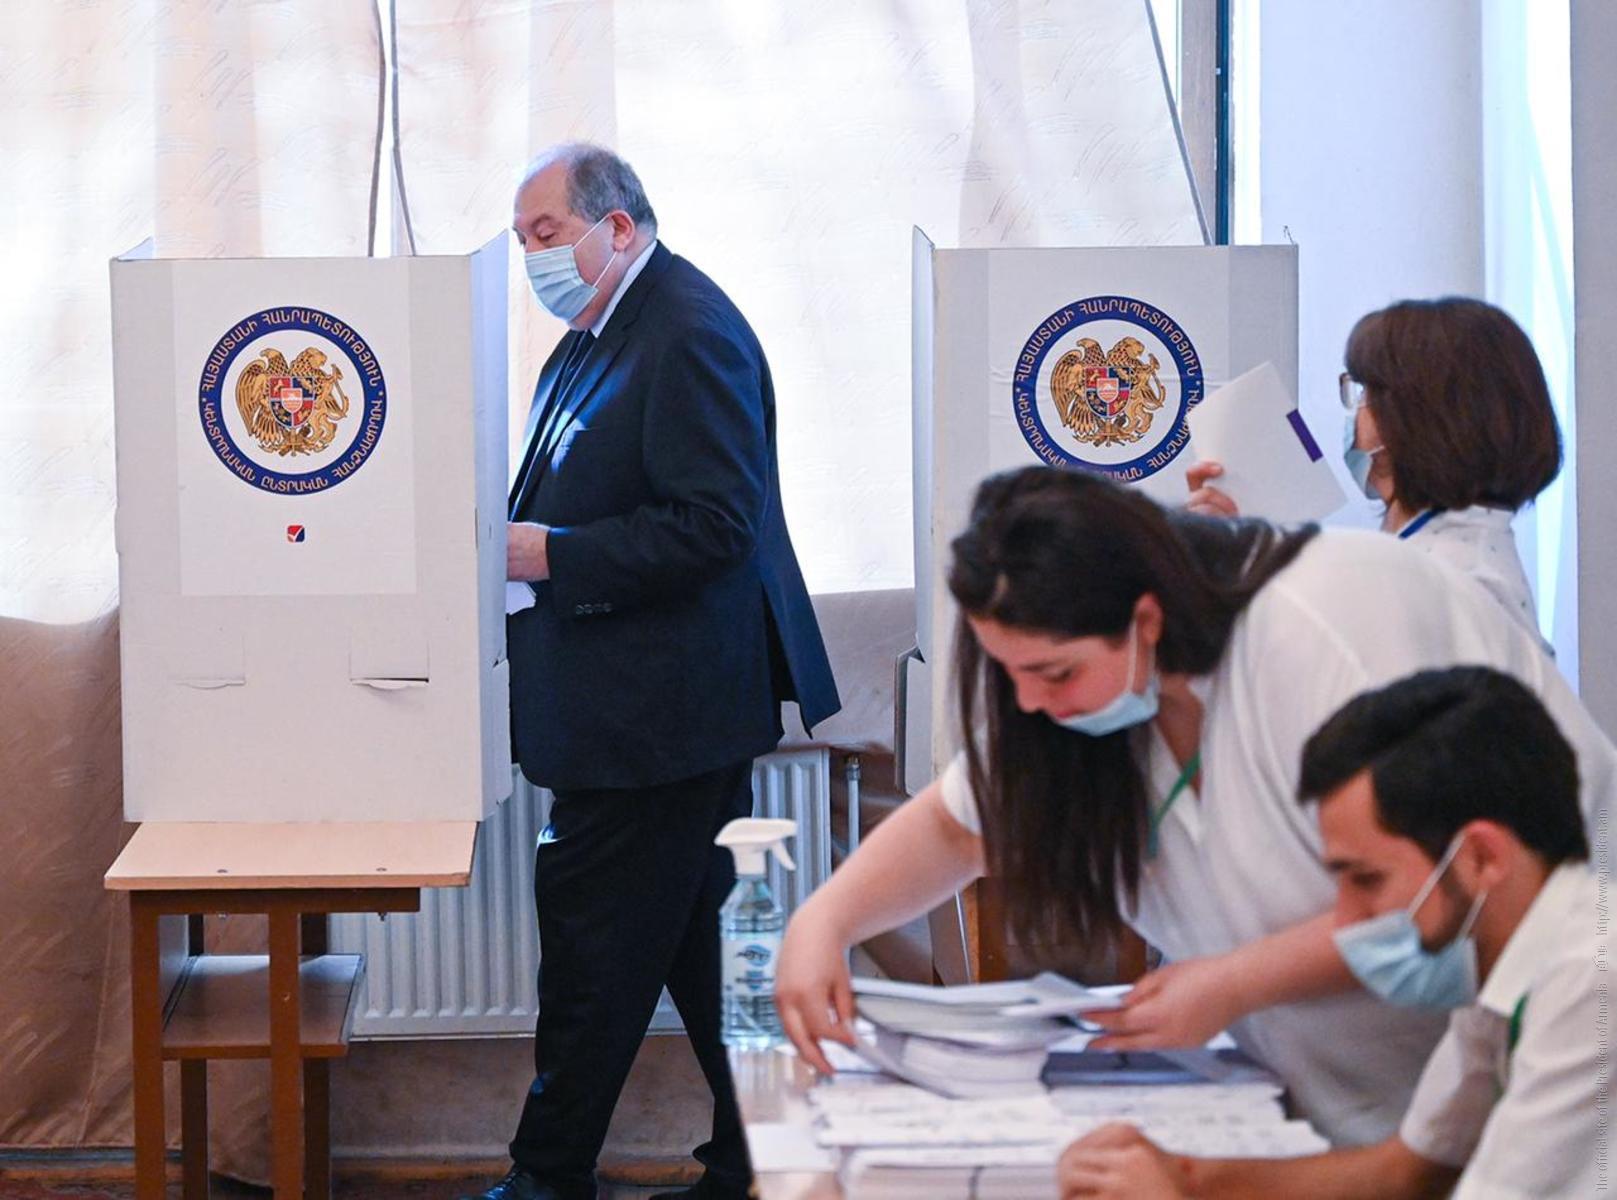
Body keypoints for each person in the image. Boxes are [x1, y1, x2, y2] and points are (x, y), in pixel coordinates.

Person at [775, 466, 1613, 1146]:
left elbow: (1444, 888)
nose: (1030, 705)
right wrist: (825, 923)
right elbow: (963, 822)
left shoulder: (1328, 622)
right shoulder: (1086, 704)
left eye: (1056, 674)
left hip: (1535, 1078)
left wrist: (1229, 983)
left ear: (1145, 619)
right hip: (1336, 1113)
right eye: (1012, 676)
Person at [468, 143, 840, 1200]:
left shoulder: (685, 332)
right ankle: (756, 1162)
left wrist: (552, 554)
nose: (533, 256)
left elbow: (716, 527)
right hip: (636, 711)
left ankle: (548, 1180)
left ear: (617, 225)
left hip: (657, 720)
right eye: (524, 239)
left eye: (547, 234)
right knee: (704, 956)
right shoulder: (598, 335)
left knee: (592, 959)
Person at [1057, 666, 1605, 1199]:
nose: (1345, 920)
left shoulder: (1590, 984)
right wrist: (1181, 1176)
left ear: (1482, 857)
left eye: (1368, 879)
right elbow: (1403, 1174)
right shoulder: (1495, 960)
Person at [1189, 297, 1561, 646]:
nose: (1357, 412)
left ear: (1414, 417)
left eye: (1364, 393)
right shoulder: (1453, 560)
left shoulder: (1431, 583)